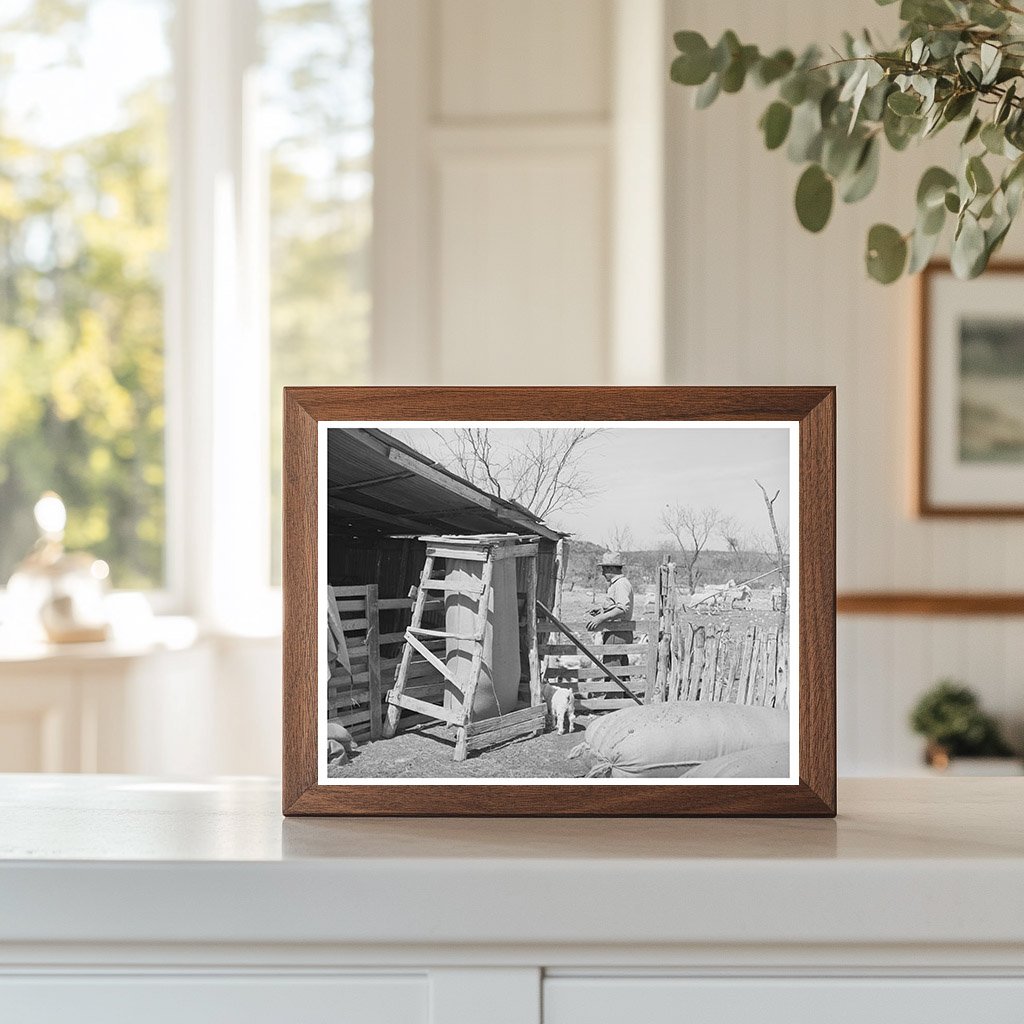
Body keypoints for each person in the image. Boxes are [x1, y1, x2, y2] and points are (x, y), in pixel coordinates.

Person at [585, 552, 634, 667]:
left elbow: (622, 608)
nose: (602, 573)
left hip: (617, 633)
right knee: (621, 670)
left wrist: (600, 618)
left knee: (612, 669)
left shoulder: (620, 584)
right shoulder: (618, 583)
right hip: (618, 632)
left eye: (604, 569)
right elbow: (617, 607)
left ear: (612, 568)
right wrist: (603, 611)